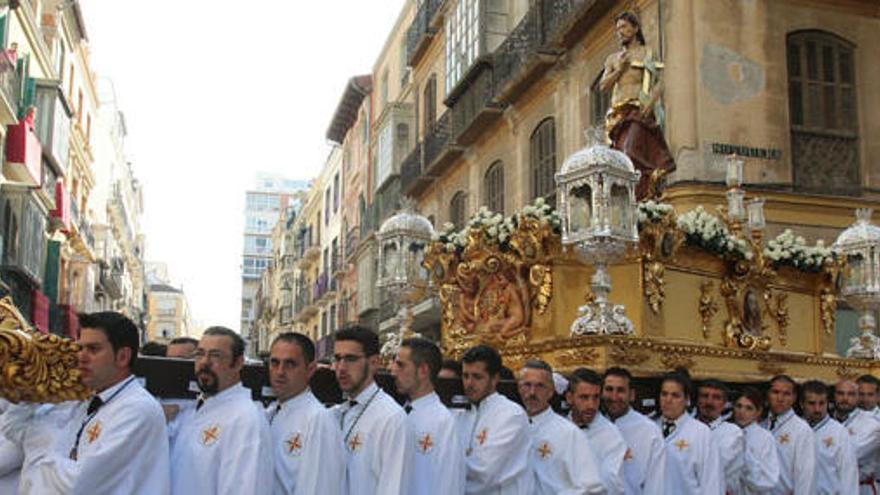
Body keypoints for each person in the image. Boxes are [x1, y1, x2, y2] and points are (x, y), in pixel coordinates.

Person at [0, 312, 170, 494]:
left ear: (123, 356)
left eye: (93, 349)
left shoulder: (137, 409)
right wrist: (30, 389)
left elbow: (79, 484)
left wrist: (41, 444)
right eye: (80, 348)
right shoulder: (84, 400)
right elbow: (15, 429)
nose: (81, 357)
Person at [169, 326, 272, 494]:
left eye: (215, 355)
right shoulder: (189, 410)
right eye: (200, 354)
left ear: (238, 363)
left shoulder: (246, 419)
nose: (204, 362)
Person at [599, 11, 675, 199]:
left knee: (631, 151)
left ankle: (641, 197)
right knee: (619, 161)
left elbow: (662, 79)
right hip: (618, 114)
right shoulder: (613, 59)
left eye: (624, 27)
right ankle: (630, 199)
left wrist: (651, 99)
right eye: (618, 29)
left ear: (635, 28)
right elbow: (603, 85)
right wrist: (620, 70)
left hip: (639, 110)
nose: (620, 32)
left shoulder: (647, 53)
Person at [333, 326, 413, 495]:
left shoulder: (391, 418)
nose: (340, 368)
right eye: (337, 358)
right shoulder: (338, 412)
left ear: (374, 363)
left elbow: (394, 488)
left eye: (350, 359)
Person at [266, 332, 343, 495]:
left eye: (290, 364)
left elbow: (320, 488)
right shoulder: (269, 413)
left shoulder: (318, 420)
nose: (280, 371)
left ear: (310, 369)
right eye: (274, 363)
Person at [390, 337, 465, 495]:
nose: (393, 371)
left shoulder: (443, 421)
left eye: (401, 365)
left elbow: (449, 483)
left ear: (423, 370)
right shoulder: (397, 413)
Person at [518, 361, 603, 495]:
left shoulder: (569, 433)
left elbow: (592, 488)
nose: (532, 392)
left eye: (540, 386)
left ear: (551, 391)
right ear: (519, 388)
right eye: (527, 385)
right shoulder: (512, 427)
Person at [457, 344, 532, 494]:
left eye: (477, 377)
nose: (469, 383)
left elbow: (485, 473)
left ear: (495, 379)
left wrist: (448, 470)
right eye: (465, 376)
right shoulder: (460, 414)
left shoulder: (511, 415)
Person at [601, 367, 666, 495]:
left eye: (620, 390)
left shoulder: (649, 431)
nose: (614, 397)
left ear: (631, 395)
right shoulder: (593, 425)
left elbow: (656, 484)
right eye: (609, 389)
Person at [656, 371, 722, 494]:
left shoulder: (701, 433)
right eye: (664, 394)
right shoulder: (650, 429)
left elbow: (711, 482)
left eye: (675, 395)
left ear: (687, 400)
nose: (668, 400)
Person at [566, 368, 626, 494]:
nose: (591, 405)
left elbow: (611, 482)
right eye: (584, 397)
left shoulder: (611, 436)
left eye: (596, 398)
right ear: (569, 398)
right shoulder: (558, 430)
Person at [760, 375, 816, 495]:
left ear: (794, 398)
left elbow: (805, 474)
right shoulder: (760, 425)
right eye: (775, 392)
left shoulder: (801, 429)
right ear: (768, 394)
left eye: (786, 394)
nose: (780, 398)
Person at [801, 380, 859, 494]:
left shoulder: (839, 432)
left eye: (822, 403)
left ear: (828, 403)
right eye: (812, 403)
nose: (817, 409)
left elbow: (848, 474)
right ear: (802, 404)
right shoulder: (794, 429)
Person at [697, 380, 744, 493]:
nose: (709, 401)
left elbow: (717, 467)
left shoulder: (732, 433)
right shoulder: (686, 428)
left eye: (716, 397)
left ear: (724, 404)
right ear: (698, 401)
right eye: (705, 396)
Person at [834, 379, 880, 494]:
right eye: (840, 393)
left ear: (856, 397)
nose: (845, 398)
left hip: (861, 488)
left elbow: (849, 456)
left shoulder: (872, 424)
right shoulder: (827, 420)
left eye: (850, 394)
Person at [730, 387, 780, 494]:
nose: (742, 412)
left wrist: (745, 456)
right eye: (739, 406)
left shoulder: (765, 438)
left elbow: (769, 480)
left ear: (758, 412)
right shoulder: (725, 432)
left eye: (749, 408)